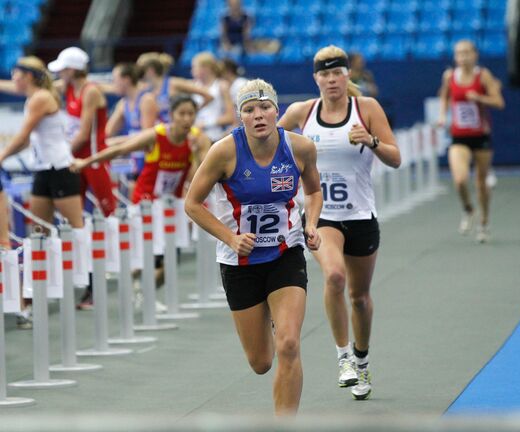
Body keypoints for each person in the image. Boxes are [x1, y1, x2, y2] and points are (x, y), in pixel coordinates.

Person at [185, 79, 322, 415]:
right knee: (261, 362)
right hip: (239, 263)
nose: (258, 115)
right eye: (249, 110)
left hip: (284, 253)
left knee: (288, 343)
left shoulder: (300, 148)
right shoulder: (224, 152)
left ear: (277, 110)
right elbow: (192, 203)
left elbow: (315, 191)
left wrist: (312, 223)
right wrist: (230, 237)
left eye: (265, 108)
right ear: (239, 116)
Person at [278, 45, 401, 400]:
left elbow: (395, 157)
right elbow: (266, 140)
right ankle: (343, 357)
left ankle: (362, 361)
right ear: (315, 78)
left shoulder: (366, 109)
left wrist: (372, 140)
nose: (331, 80)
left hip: (361, 216)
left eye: (337, 73)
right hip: (321, 216)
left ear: (347, 76)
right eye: (324, 74)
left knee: (359, 297)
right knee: (333, 275)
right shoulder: (303, 112)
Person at [71, 95, 210, 296]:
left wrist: (196, 152)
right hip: (146, 203)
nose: (187, 119)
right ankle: (142, 290)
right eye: (182, 114)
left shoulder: (198, 139)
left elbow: (200, 176)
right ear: (171, 116)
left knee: (172, 258)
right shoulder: (156, 135)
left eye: (191, 114)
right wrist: (86, 162)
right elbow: (119, 149)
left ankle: (143, 290)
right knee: (156, 256)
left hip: (173, 204)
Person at [0, 56, 85, 326]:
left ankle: (88, 285)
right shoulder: (35, 97)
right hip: (44, 171)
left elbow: (23, 136)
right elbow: (28, 142)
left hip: (61, 169)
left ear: (29, 76)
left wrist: (1, 156)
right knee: (38, 234)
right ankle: (30, 300)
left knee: (76, 229)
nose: (13, 77)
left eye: (17, 73)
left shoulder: (40, 98)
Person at [48, 46, 117, 309]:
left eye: (63, 69)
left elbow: (84, 132)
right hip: (77, 159)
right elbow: (41, 87)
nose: (60, 73)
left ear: (73, 69)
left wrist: (62, 155)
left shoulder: (90, 92)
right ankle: (89, 269)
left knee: (107, 212)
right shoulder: (68, 87)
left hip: (94, 159)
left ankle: (116, 260)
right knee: (76, 215)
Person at [437, 39, 505, 243]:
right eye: (459, 53)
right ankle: (469, 209)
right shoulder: (449, 76)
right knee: (459, 179)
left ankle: (484, 222)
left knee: (481, 183)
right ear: (455, 57)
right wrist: (443, 115)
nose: (463, 57)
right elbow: (444, 97)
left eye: (467, 52)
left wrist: (479, 98)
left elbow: (499, 102)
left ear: (475, 55)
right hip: (459, 136)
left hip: (481, 136)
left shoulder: (482, 75)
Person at [137, 52, 213, 124]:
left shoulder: (174, 83)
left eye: (141, 71)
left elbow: (207, 95)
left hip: (178, 131)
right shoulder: (146, 89)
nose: (139, 75)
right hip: (160, 132)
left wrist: (192, 111)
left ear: (150, 70)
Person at [191, 52, 236, 142]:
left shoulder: (222, 86)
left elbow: (230, 117)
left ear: (206, 69)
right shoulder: (193, 86)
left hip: (215, 137)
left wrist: (205, 124)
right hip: (195, 136)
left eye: (194, 67)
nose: (192, 71)